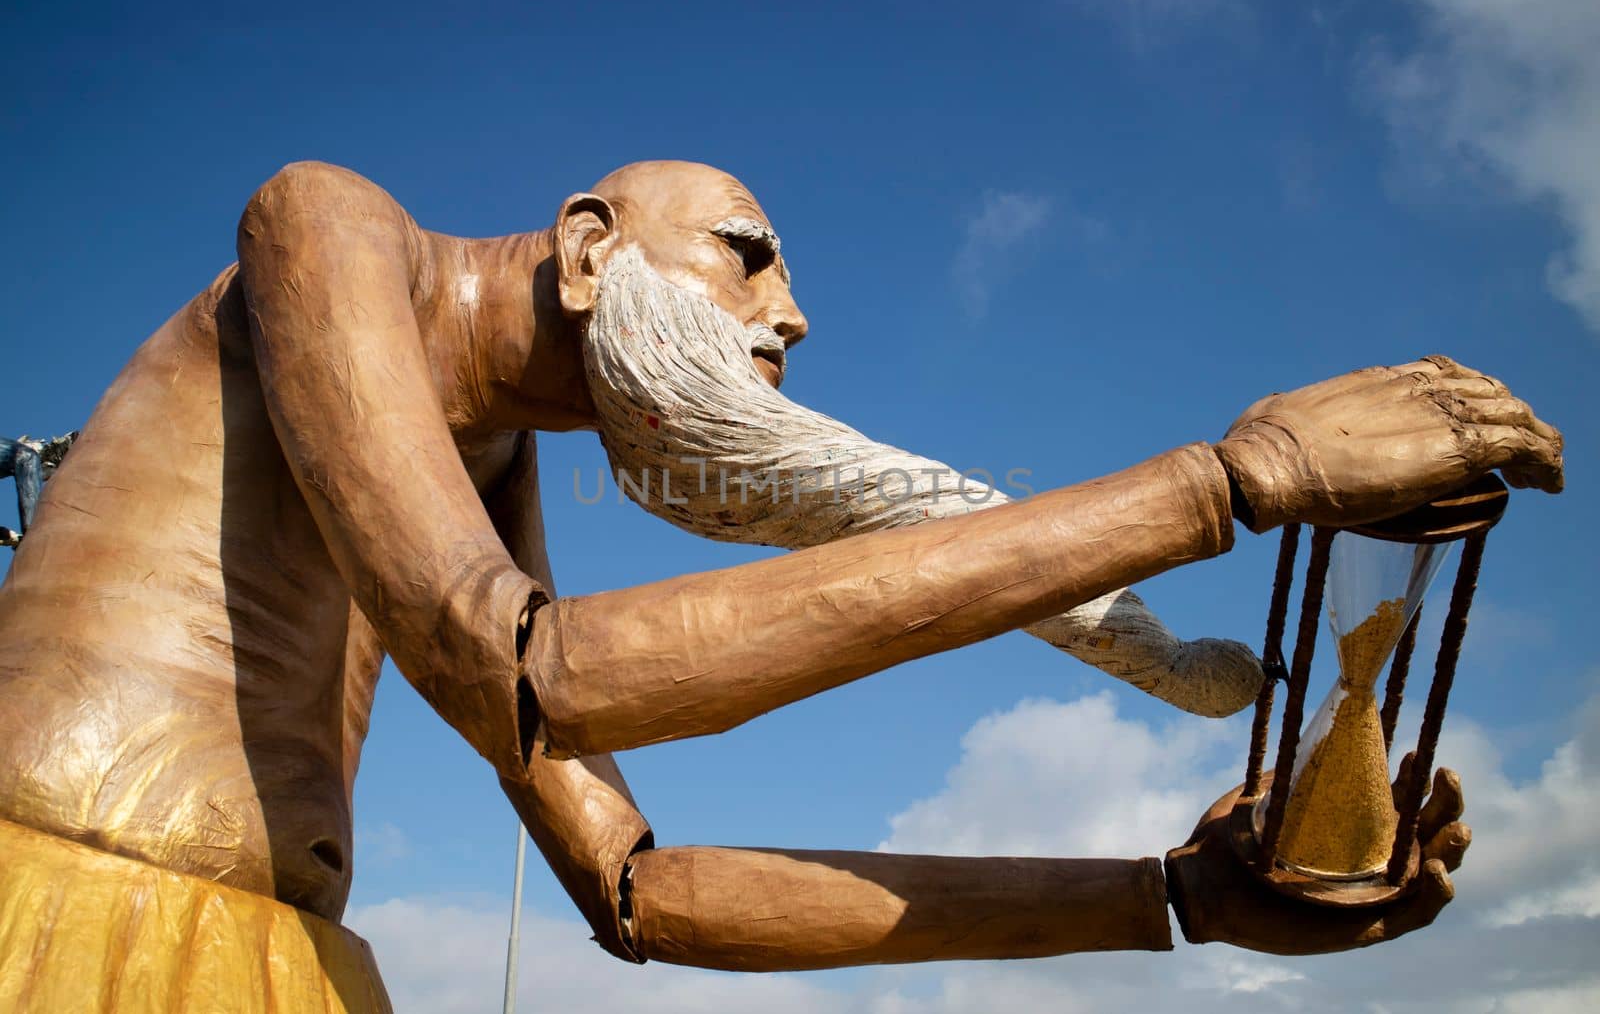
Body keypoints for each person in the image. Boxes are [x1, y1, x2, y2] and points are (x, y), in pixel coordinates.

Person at [0, 161, 1564, 1008]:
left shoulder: (485, 475)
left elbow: (637, 891)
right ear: (588, 245)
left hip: (259, 963)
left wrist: (1166, 898)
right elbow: (539, 674)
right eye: (750, 254)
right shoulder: (324, 226)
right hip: (60, 925)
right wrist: (1220, 488)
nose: (792, 315)